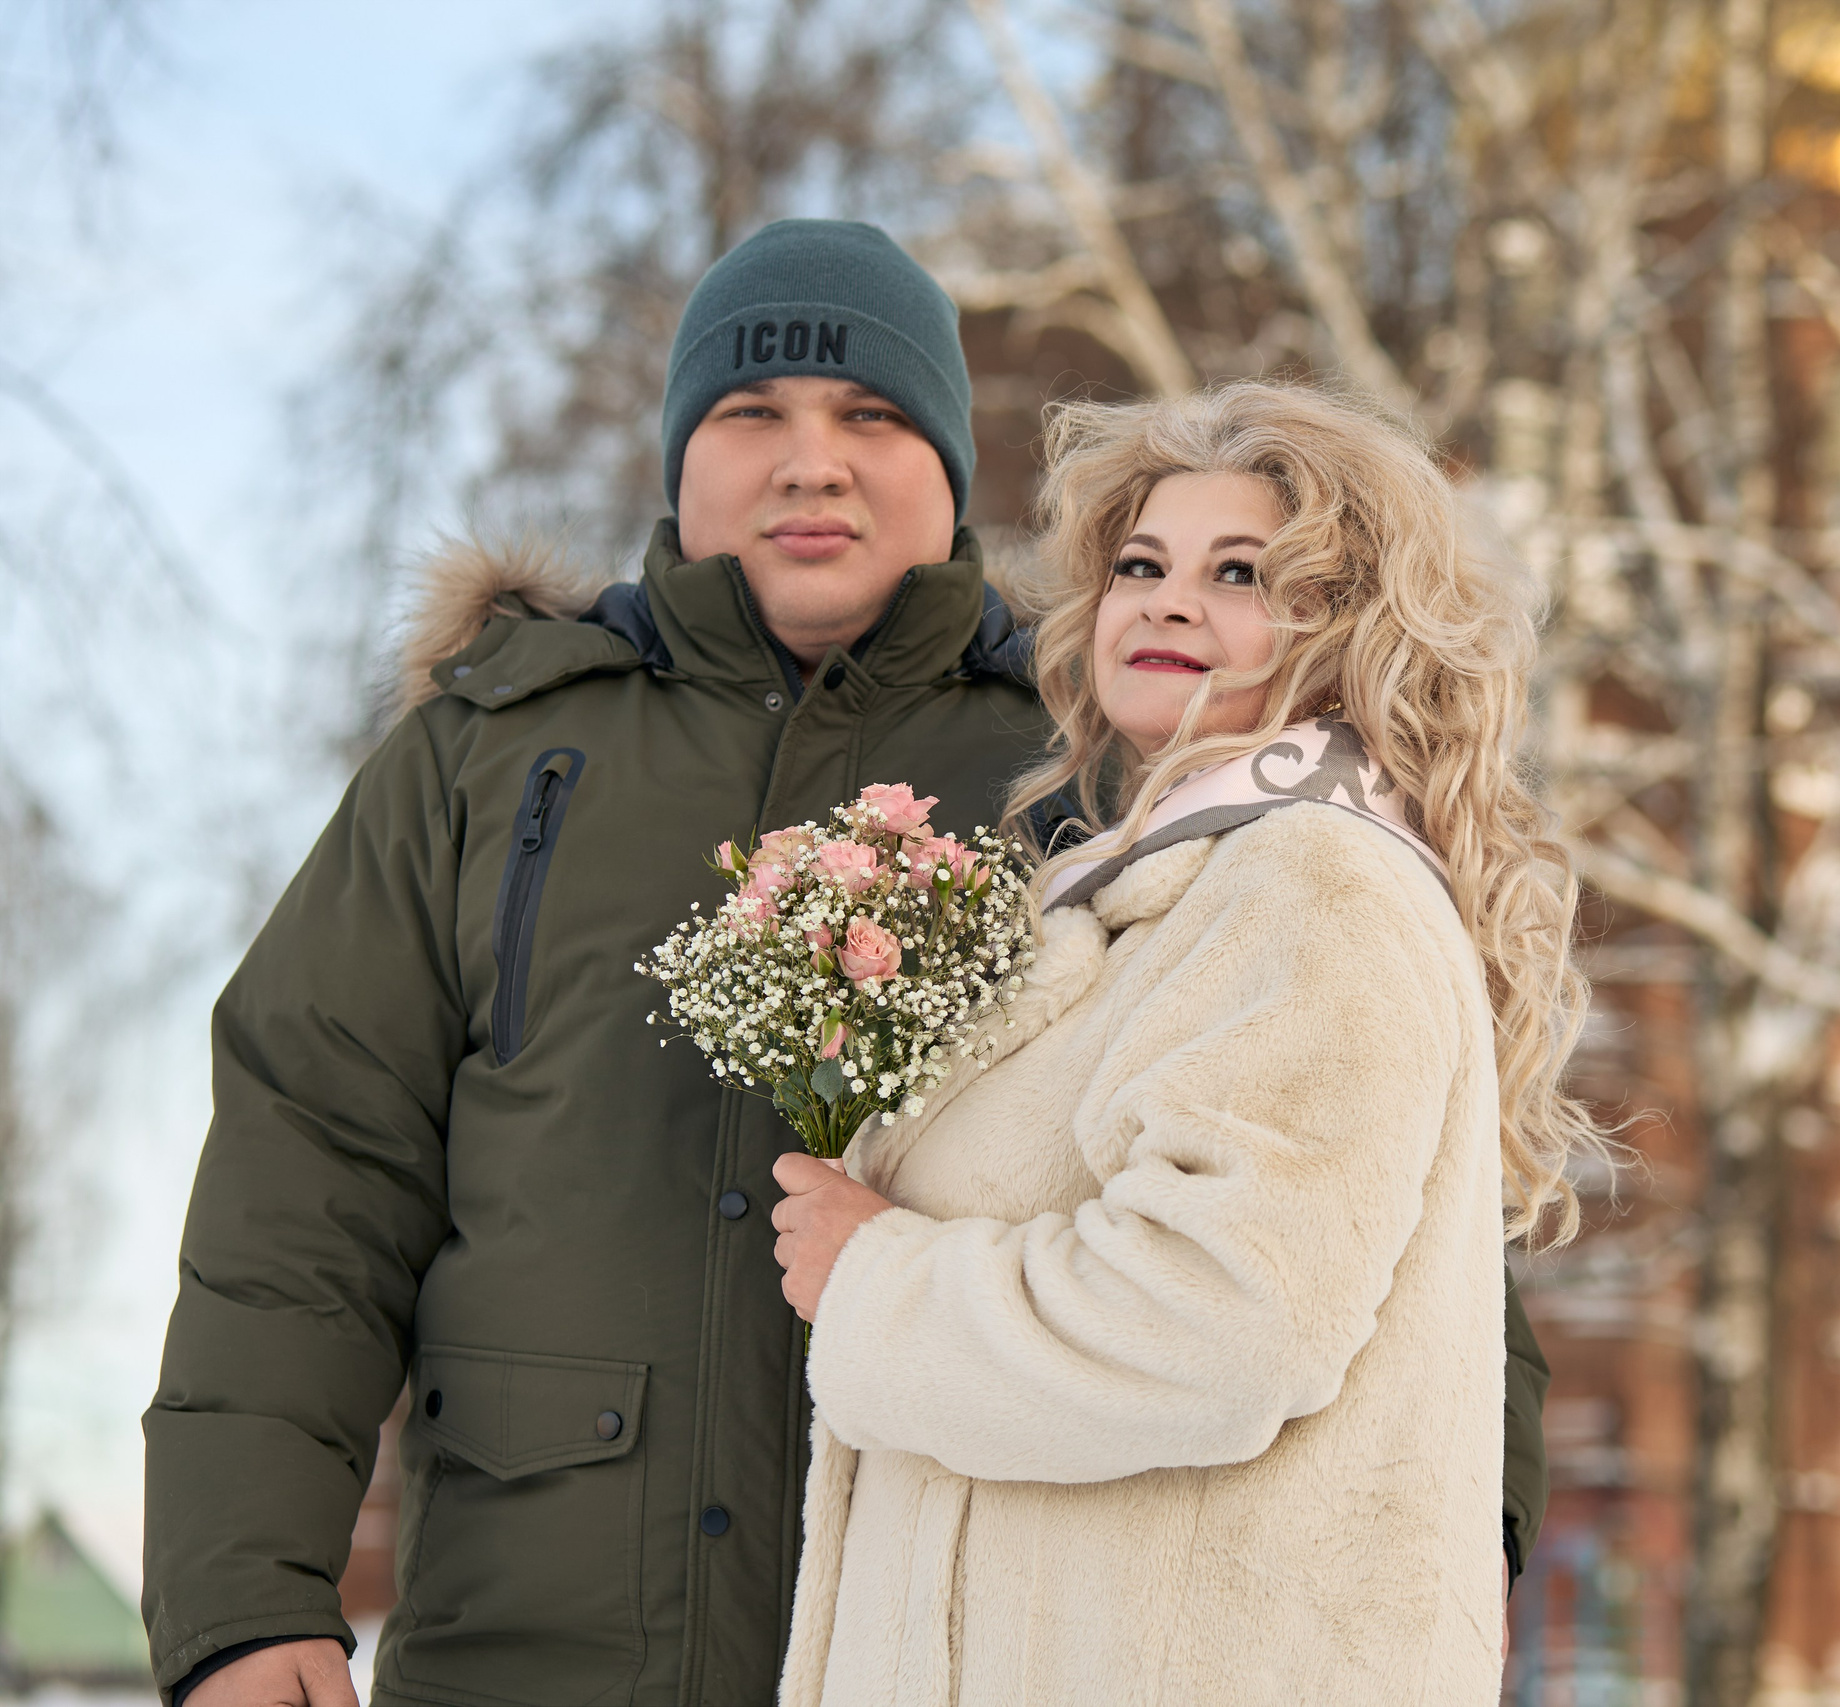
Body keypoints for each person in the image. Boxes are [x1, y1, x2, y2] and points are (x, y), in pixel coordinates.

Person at [142, 220, 1551, 1707]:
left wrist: (1467, 1539)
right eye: (753, 415)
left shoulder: (1099, 764)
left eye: (871, 417)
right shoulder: (493, 758)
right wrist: (243, 1596)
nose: (812, 461)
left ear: (947, 468)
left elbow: (1377, 1203)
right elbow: (307, 1170)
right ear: (681, 466)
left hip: (965, 1643)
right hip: (539, 1647)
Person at [766, 382, 1600, 1704]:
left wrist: (878, 1281)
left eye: (1242, 574)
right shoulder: (1161, 893)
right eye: (1141, 566)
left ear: (1349, 631)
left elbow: (1225, 1320)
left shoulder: (1312, 888)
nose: (1164, 600)